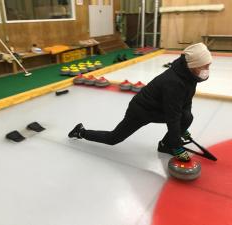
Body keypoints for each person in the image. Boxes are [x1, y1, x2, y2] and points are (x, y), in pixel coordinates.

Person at [68, 43, 212, 162]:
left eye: (208, 65)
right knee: (114, 138)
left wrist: (183, 128)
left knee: (187, 116)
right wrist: (177, 144)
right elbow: (172, 116)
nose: (207, 70)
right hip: (140, 111)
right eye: (204, 66)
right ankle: (80, 131)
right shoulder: (173, 82)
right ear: (193, 65)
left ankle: (165, 145)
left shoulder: (190, 76)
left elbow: (185, 104)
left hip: (157, 109)